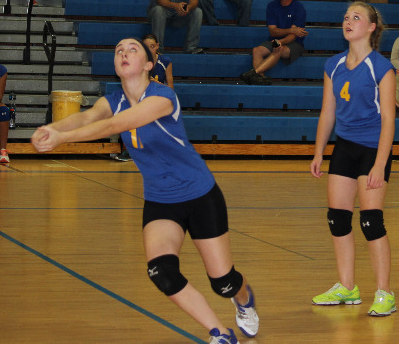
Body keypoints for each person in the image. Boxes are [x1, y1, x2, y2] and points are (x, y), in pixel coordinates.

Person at [31, 38, 259, 344]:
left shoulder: (162, 96)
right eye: (118, 50)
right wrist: (53, 129)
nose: (124, 52)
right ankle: (219, 332)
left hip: (200, 195)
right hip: (161, 201)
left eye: (132, 49)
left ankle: (244, 300)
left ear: (149, 64)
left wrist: (64, 140)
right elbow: (86, 116)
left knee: (224, 283)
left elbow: (115, 126)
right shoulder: (112, 101)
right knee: (161, 271)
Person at [310, 2, 397, 317]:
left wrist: (379, 164)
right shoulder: (333, 65)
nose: (348, 21)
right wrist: (320, 151)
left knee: (371, 222)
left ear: (372, 27)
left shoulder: (381, 68)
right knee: (337, 218)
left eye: (356, 17)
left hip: (374, 149)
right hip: (344, 147)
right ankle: (347, 287)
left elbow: (389, 120)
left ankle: (385, 292)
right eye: (346, 17)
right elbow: (327, 111)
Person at [115, 33, 173, 162]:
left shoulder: (165, 62)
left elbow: (171, 88)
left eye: (152, 46)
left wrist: (155, 83)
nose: (149, 49)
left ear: (157, 46)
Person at [239, 0, 307, 85]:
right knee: (257, 50)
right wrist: (290, 30)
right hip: (274, 40)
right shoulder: (272, 6)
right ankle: (260, 78)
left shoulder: (298, 8)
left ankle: (254, 73)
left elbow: (293, 36)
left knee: (278, 49)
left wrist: (281, 41)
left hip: (294, 44)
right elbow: (273, 32)